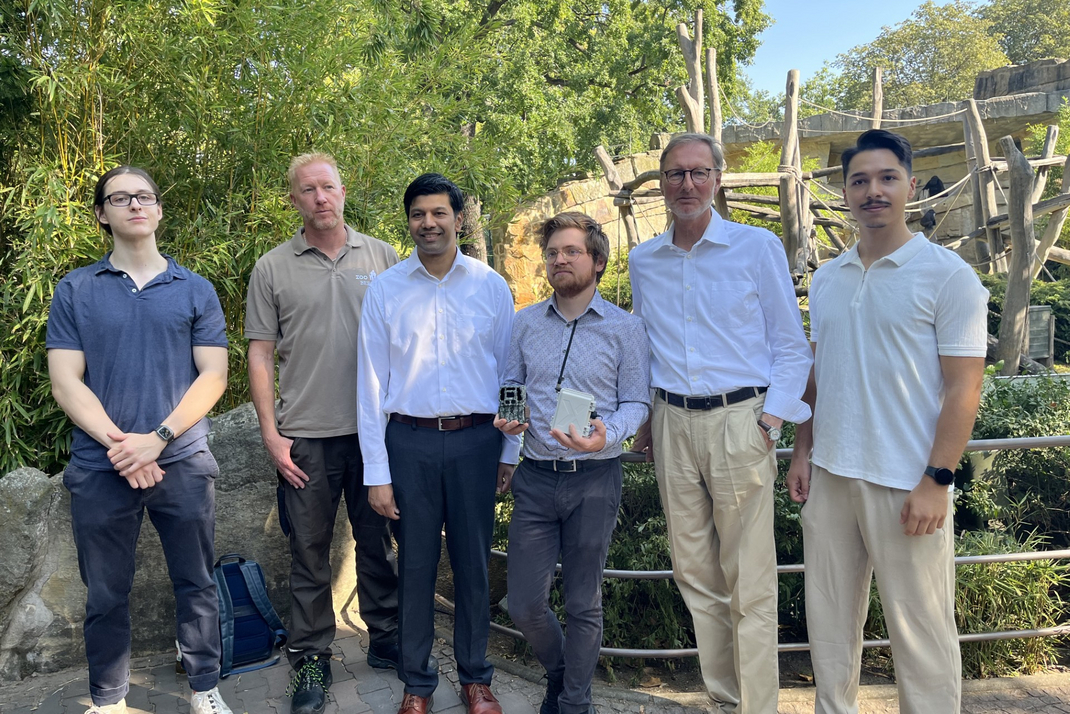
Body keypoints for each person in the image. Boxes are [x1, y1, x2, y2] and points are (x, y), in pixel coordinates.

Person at [787, 129, 987, 714]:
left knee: (922, 635)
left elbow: (964, 387)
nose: (873, 191)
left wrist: (937, 479)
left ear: (908, 185)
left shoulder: (948, 277)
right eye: (860, 180)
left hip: (908, 481)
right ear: (845, 192)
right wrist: (802, 451)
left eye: (886, 178)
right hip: (830, 477)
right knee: (828, 630)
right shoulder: (827, 278)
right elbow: (817, 374)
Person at [628, 133, 813, 713]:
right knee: (694, 574)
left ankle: (759, 708)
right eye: (675, 174)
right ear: (661, 183)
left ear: (717, 178)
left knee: (750, 580)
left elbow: (791, 345)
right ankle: (725, 700)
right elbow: (644, 348)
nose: (687, 184)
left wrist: (772, 420)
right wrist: (645, 416)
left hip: (741, 421)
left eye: (698, 173)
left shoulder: (755, 248)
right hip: (672, 424)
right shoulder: (643, 260)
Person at [47, 166, 233, 714]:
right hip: (101, 467)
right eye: (120, 198)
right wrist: (124, 448)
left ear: (158, 209)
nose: (135, 205)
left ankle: (205, 689)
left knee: (196, 582)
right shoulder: (76, 288)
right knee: (105, 596)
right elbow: (65, 381)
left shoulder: (194, 288)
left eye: (145, 196)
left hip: (183, 460)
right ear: (102, 213)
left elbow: (215, 376)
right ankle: (108, 700)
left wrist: (158, 439)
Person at [245, 153, 404, 714]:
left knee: (379, 544)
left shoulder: (382, 256)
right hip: (305, 436)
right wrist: (271, 434)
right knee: (308, 551)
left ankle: (385, 640)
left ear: (344, 190)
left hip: (375, 433)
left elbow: (405, 342)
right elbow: (260, 355)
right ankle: (310, 656)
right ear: (293, 199)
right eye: (307, 190)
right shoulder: (272, 267)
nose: (320, 198)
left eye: (328, 187)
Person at [357, 173, 519, 714]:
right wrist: (376, 471)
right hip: (410, 442)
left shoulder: (491, 285)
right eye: (418, 214)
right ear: (409, 221)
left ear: (457, 218)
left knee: (473, 563)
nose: (428, 223)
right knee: (418, 566)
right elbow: (370, 383)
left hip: (477, 442)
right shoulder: (385, 289)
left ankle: (476, 678)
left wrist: (510, 452)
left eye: (439, 213)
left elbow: (511, 375)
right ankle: (417, 683)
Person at [496, 212, 650, 714]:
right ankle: (563, 675)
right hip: (537, 477)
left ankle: (573, 702)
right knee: (523, 603)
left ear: (598, 261)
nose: (559, 259)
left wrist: (612, 432)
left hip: (596, 479)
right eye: (553, 252)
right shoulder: (524, 323)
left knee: (585, 603)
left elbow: (636, 402)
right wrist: (511, 421)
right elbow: (512, 385)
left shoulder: (626, 329)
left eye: (572, 251)